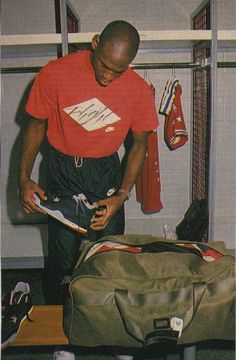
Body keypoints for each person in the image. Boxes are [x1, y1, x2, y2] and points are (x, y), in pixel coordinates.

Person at [19, 20, 158, 360]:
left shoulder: (138, 90)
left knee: (109, 258)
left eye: (118, 71)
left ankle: (114, 333)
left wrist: (121, 194)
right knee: (63, 261)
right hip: (62, 169)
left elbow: (139, 144)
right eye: (104, 67)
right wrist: (23, 179)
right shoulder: (55, 73)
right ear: (95, 43)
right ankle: (64, 339)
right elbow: (35, 125)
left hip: (105, 172)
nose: (108, 77)